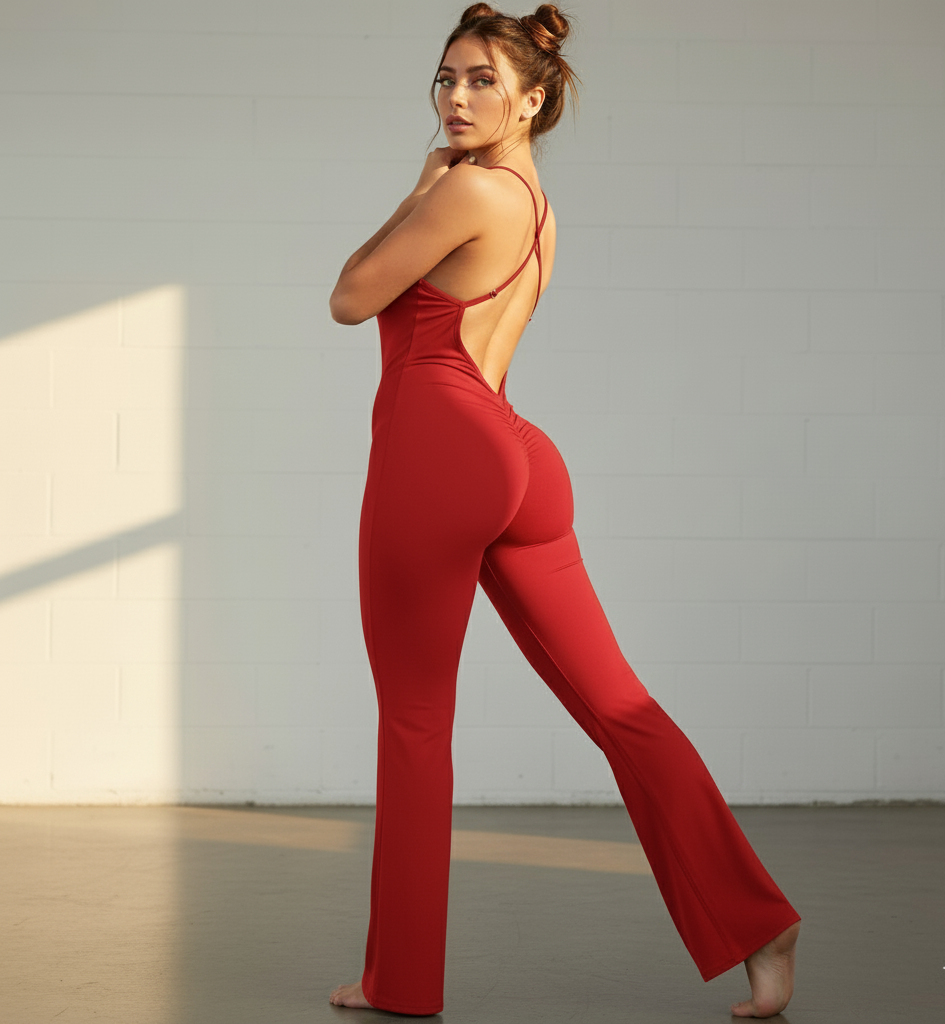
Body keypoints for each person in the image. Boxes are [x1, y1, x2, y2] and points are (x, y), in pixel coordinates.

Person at [328, 3, 801, 1017]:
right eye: (446, 78)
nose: (457, 98)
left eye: (482, 82)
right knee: (618, 707)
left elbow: (350, 295)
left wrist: (416, 188)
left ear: (533, 99)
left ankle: (399, 981)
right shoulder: (537, 206)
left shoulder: (468, 192)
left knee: (415, 720)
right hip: (520, 459)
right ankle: (762, 927)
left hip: (438, 454)